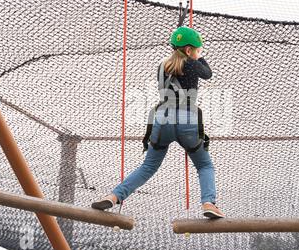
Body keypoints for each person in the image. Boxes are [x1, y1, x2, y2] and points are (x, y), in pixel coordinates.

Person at [92, 26, 225, 219]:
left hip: (162, 119)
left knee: (148, 167)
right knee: (204, 166)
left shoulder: (163, 65)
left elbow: (177, 65)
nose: (199, 54)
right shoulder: (193, 64)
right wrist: (199, 57)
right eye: (197, 50)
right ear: (189, 51)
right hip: (186, 119)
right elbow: (208, 73)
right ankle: (208, 203)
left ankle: (114, 196)